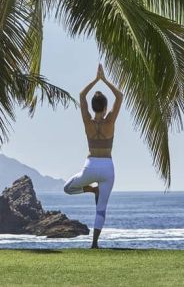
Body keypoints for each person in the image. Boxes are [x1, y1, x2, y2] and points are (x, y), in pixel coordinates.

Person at [64, 63, 123, 249]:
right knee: (101, 210)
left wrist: (95, 80)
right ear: (105, 107)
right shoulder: (110, 121)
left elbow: (81, 96)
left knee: (68, 188)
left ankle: (92, 190)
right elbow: (120, 96)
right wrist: (104, 80)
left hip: (90, 166)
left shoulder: (87, 122)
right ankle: (95, 243)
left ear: (93, 107)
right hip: (107, 167)